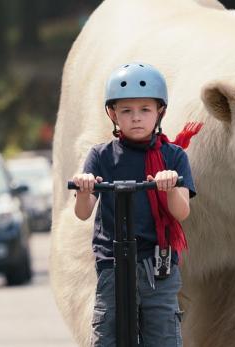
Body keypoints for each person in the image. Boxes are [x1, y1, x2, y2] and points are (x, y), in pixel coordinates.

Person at [72, 62, 202, 347]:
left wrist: (170, 185)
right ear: (113, 114)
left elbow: (181, 212)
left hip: (158, 264)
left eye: (145, 109)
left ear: (160, 112)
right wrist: (84, 188)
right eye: (126, 111)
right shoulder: (101, 156)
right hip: (112, 264)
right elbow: (83, 213)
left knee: (163, 335)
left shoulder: (174, 156)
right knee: (107, 335)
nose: (136, 118)